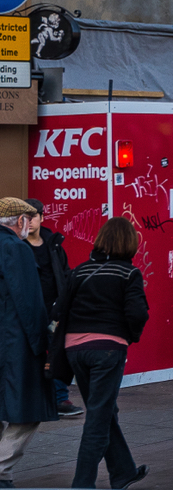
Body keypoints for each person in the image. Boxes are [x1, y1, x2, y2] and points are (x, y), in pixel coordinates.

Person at [63, 217, 149, 489]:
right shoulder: (128, 273)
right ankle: (82, 483)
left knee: (104, 410)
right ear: (129, 243)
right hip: (107, 349)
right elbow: (137, 314)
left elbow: (59, 310)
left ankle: (123, 471)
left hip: (75, 349)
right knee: (98, 419)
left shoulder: (79, 271)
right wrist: (128, 337)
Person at [0, 198, 59, 489]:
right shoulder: (16, 249)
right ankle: (1, 470)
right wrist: (42, 345)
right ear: (19, 220)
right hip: (15, 344)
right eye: (28, 217)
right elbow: (29, 302)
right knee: (27, 409)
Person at [23, 199, 81, 416]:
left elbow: (64, 274)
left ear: (42, 218)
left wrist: (65, 301)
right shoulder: (17, 246)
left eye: (33, 217)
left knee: (57, 351)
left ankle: (60, 399)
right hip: (27, 309)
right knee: (28, 353)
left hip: (53, 308)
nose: (28, 222)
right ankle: (32, 398)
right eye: (24, 218)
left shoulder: (53, 244)